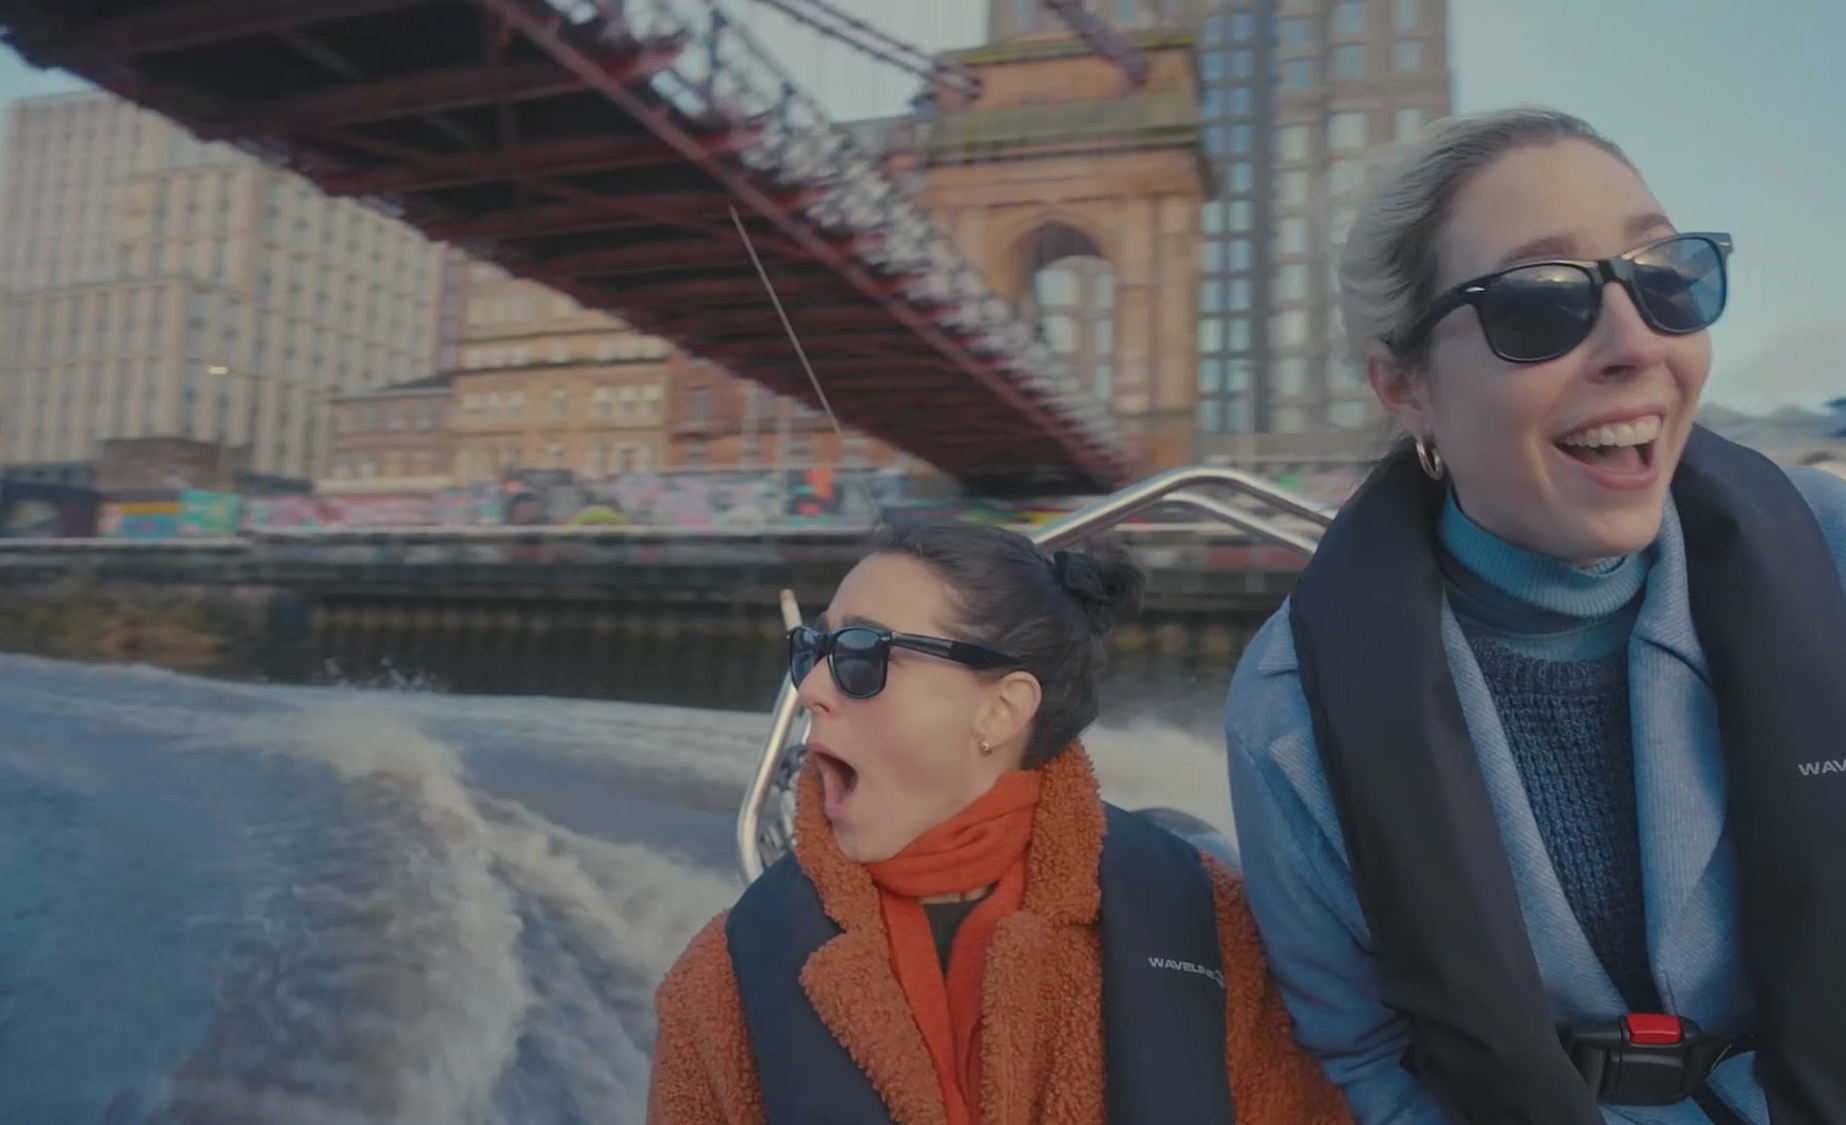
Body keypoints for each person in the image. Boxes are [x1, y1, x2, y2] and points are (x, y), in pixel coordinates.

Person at [1226, 106, 1846, 1125]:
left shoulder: (1827, 555)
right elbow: (1365, 1055)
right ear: (1405, 386)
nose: (1635, 342)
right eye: (1538, 302)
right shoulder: (1291, 707)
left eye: (1663, 276)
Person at [649, 519, 1351, 1125]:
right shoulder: (722, 979)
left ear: (1001, 709)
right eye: (814, 650)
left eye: (860, 654)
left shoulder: (1218, 929)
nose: (810, 688)